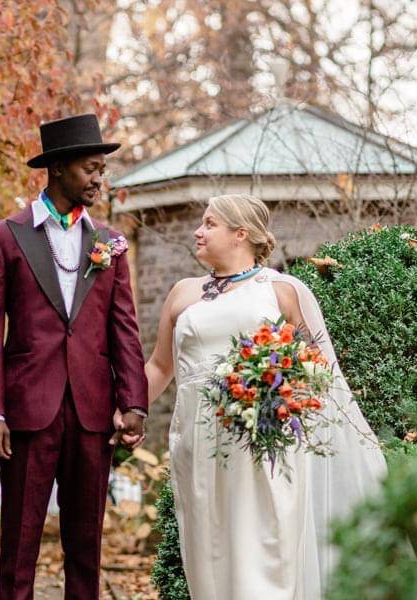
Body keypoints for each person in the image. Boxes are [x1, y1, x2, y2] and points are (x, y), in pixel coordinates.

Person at [140, 194, 386, 599]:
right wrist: (127, 411)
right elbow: (160, 367)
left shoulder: (282, 291)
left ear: (241, 234)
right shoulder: (183, 293)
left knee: (264, 551)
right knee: (207, 553)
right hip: (197, 445)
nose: (197, 232)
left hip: (263, 443)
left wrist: (274, 391)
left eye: (209, 224)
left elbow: (319, 368)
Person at [0, 113, 149, 600]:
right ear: (59, 169)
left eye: (101, 170)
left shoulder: (109, 243)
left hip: (93, 412)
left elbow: (124, 330)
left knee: (87, 549)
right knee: (20, 548)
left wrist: (134, 403)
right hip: (28, 412)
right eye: (90, 168)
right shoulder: (4, 237)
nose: (98, 178)